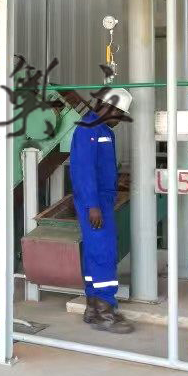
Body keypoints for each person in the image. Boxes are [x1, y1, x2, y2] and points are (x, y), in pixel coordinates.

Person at [69, 87, 134, 334]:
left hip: (101, 200)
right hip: (95, 202)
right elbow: (83, 171)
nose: (119, 120)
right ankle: (106, 313)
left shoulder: (103, 130)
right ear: (108, 107)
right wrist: (92, 205)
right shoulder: (88, 129)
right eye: (119, 114)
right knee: (103, 252)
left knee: (94, 252)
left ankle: (93, 308)